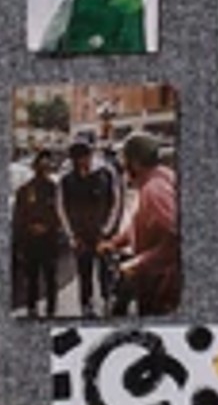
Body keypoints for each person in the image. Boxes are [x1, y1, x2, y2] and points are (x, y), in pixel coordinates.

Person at [110, 132, 181, 316]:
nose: (122, 165)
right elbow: (142, 222)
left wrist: (138, 264)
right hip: (154, 280)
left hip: (161, 286)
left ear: (135, 162)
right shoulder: (154, 180)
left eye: (124, 159)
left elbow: (176, 238)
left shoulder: (154, 189)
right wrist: (115, 242)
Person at [58, 134, 120, 313]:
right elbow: (62, 209)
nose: (82, 161)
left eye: (85, 156)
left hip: (102, 235)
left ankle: (108, 300)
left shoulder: (106, 174)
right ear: (73, 159)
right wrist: (72, 236)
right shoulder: (66, 180)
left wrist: (107, 231)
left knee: (105, 272)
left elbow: (115, 202)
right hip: (80, 237)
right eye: (78, 158)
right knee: (84, 273)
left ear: (91, 155)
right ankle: (86, 305)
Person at [10, 151, 71, 319]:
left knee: (51, 278)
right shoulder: (23, 191)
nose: (42, 169)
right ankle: (32, 308)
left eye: (46, 166)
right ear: (34, 167)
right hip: (30, 242)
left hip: (49, 241)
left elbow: (61, 214)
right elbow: (18, 217)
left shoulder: (55, 189)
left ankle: (51, 310)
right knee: (32, 278)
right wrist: (23, 237)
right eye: (39, 166)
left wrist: (48, 227)